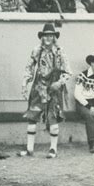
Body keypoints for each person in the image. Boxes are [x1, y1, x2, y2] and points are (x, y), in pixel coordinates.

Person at [20, 23, 71, 159]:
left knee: (53, 118)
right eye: (45, 35)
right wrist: (24, 85)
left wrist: (59, 83)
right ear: (42, 37)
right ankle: (29, 149)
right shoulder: (37, 50)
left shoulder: (60, 52)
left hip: (54, 88)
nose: (48, 38)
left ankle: (53, 149)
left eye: (51, 35)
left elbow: (68, 72)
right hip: (38, 87)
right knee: (32, 117)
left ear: (54, 37)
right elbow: (29, 68)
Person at [74, 52, 94, 153]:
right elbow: (77, 94)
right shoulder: (82, 76)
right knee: (89, 116)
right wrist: (89, 106)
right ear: (91, 63)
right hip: (82, 103)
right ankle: (92, 144)